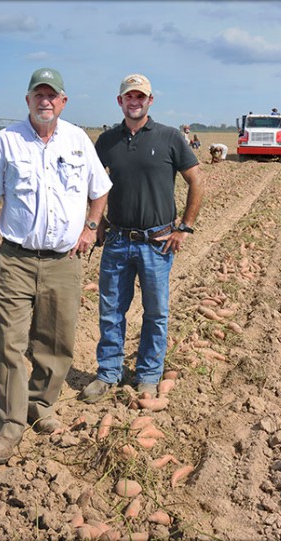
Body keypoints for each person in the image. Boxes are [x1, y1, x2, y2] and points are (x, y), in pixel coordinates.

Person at [0, 68, 111, 465]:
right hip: (15, 258)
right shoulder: (6, 141)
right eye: (38, 95)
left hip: (63, 262)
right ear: (28, 101)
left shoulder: (77, 141)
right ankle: (11, 422)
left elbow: (100, 191)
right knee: (10, 343)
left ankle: (41, 405)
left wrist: (90, 229)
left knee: (57, 341)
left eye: (52, 95)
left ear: (63, 101)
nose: (45, 102)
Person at [81, 73, 202, 404]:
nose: (135, 102)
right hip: (118, 240)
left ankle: (148, 375)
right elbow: (89, 183)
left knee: (156, 312)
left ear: (150, 101)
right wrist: (97, 221)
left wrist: (184, 227)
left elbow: (196, 181)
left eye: (141, 97)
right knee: (110, 309)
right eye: (129, 97)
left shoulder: (169, 138)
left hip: (157, 241)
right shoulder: (106, 141)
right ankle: (108, 374)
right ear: (120, 102)